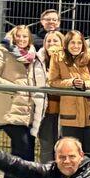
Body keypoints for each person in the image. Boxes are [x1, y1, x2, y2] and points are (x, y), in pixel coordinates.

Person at [0, 25, 48, 178]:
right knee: (23, 146)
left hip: (26, 109)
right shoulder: (1, 51)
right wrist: (15, 87)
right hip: (9, 106)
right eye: (18, 36)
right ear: (12, 36)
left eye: (25, 37)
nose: (21, 39)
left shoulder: (32, 55)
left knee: (25, 148)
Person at [47, 30, 90, 156]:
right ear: (66, 44)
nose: (76, 46)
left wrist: (85, 84)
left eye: (79, 42)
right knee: (71, 154)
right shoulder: (57, 58)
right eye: (72, 42)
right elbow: (52, 81)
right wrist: (71, 82)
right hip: (69, 116)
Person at [37, 30, 64, 164]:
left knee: (63, 148)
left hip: (65, 111)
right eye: (49, 41)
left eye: (55, 41)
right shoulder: (38, 60)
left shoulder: (67, 60)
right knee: (46, 147)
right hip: (45, 111)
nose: (52, 44)